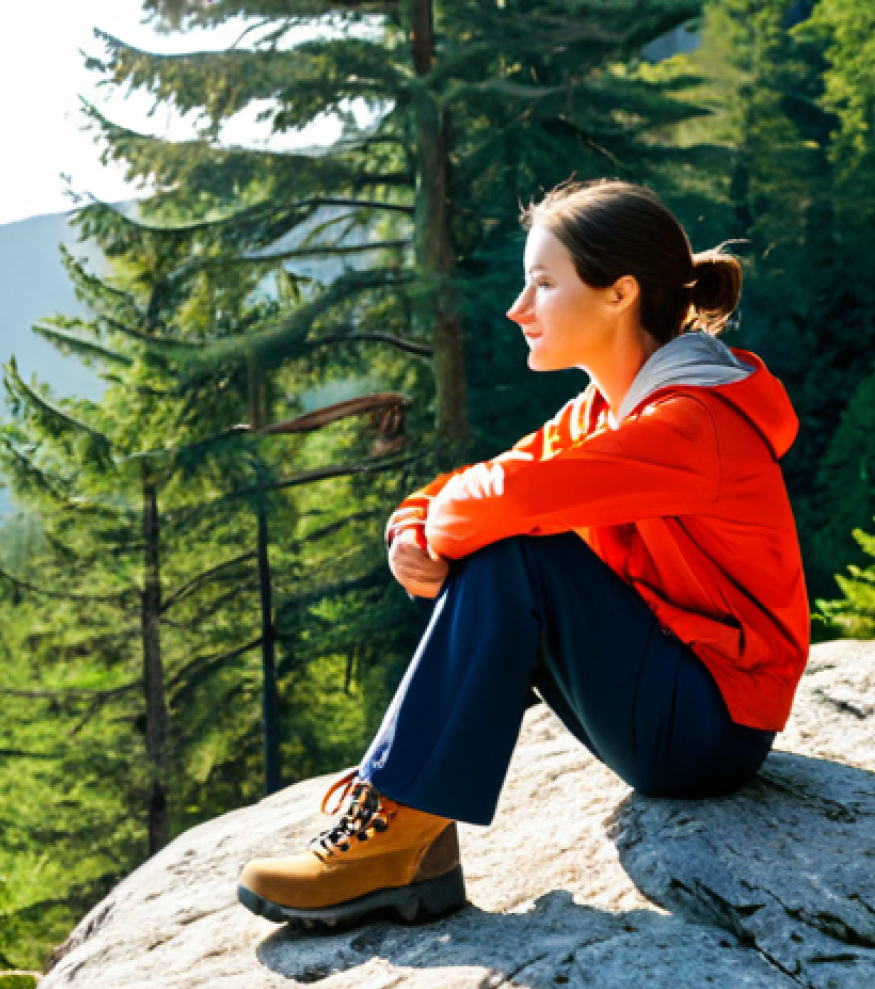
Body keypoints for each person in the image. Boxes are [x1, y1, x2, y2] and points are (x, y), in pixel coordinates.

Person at [237, 179, 810, 929]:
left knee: (514, 552)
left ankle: (400, 834)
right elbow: (478, 483)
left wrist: (443, 527)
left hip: (711, 730)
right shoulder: (604, 410)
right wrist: (410, 527)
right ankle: (409, 837)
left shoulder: (691, 425)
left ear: (620, 294)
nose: (518, 307)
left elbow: (498, 501)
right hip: (671, 698)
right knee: (505, 541)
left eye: (543, 282)